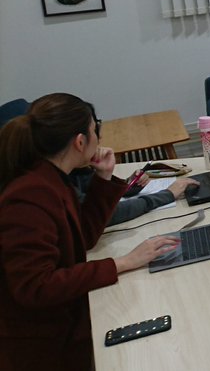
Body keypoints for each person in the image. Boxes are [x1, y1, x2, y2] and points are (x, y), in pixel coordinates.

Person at [0, 93, 181, 370]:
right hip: (41, 344)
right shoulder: (28, 197)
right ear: (80, 142)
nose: (99, 137)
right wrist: (123, 262)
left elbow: (82, 236)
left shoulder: (52, 178)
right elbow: (36, 287)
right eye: (96, 129)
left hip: (60, 322)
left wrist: (103, 178)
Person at [69, 169, 198, 227]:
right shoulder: (62, 186)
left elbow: (94, 193)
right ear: (80, 142)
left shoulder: (74, 170)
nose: (100, 138)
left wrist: (128, 186)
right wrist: (167, 194)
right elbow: (108, 213)